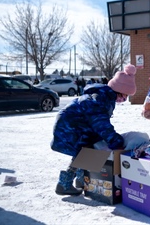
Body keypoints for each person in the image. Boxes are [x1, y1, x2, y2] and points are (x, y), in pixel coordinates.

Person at [51, 64, 137, 196]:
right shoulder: (99, 100)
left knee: (87, 150)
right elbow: (101, 125)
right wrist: (116, 141)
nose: (124, 100)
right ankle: (64, 184)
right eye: (124, 96)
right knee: (86, 151)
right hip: (70, 128)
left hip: (78, 126)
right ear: (118, 90)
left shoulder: (105, 97)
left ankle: (81, 180)